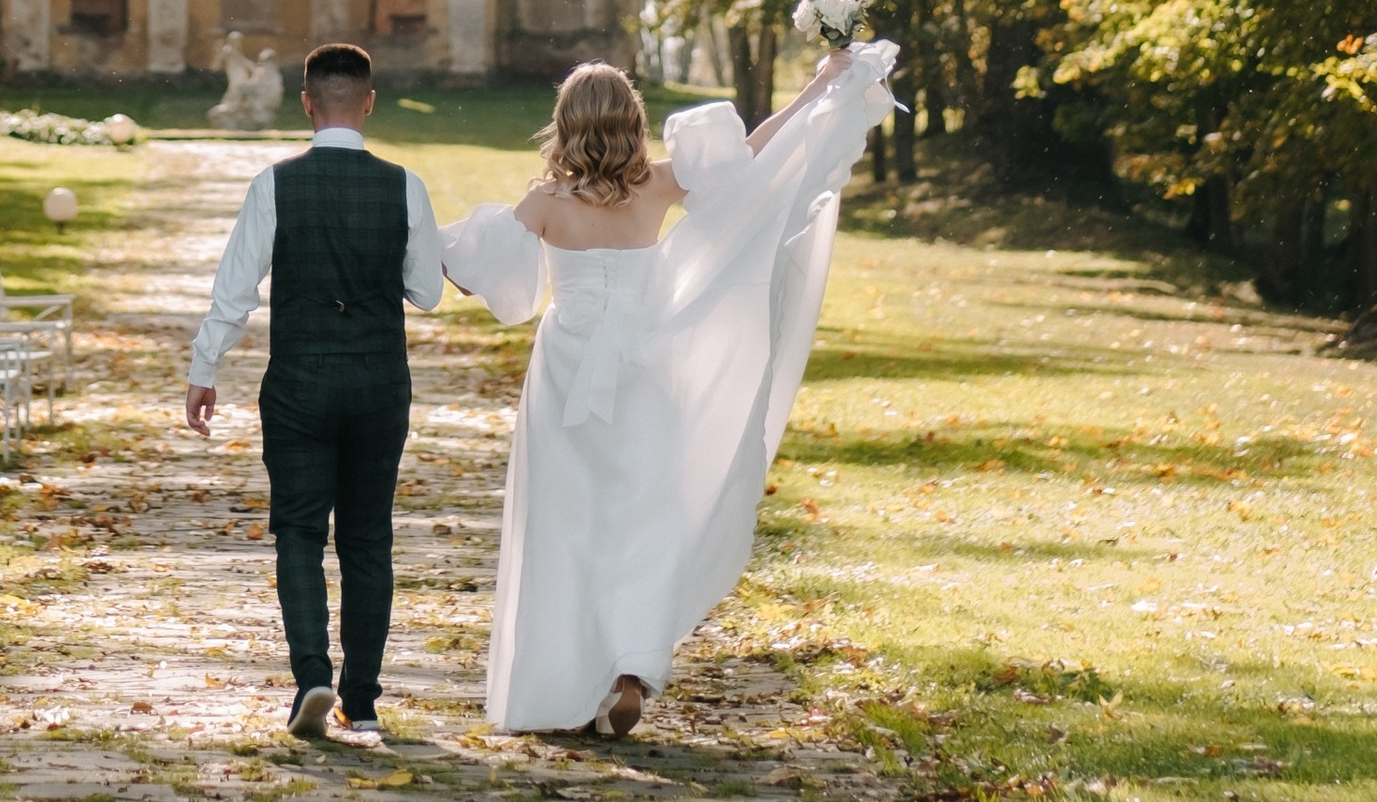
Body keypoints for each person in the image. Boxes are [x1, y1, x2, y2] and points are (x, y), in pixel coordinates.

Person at [439, 43, 894, 736]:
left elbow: (475, 275)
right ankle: (631, 665)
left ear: (565, 124)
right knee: (643, 520)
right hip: (647, 369)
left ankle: (561, 680)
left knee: (565, 527)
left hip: (567, 377)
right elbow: (750, 160)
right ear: (632, 120)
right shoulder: (657, 184)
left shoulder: (545, 202)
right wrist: (813, 93)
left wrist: (440, 255)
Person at [185, 38, 443, 746]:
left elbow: (233, 292)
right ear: (368, 103)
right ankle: (363, 702)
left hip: (298, 381)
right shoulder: (405, 185)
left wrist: (204, 369)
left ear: (305, 105)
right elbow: (425, 292)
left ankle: (311, 679)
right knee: (367, 539)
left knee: (298, 532)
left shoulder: (274, 184)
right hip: (378, 382)